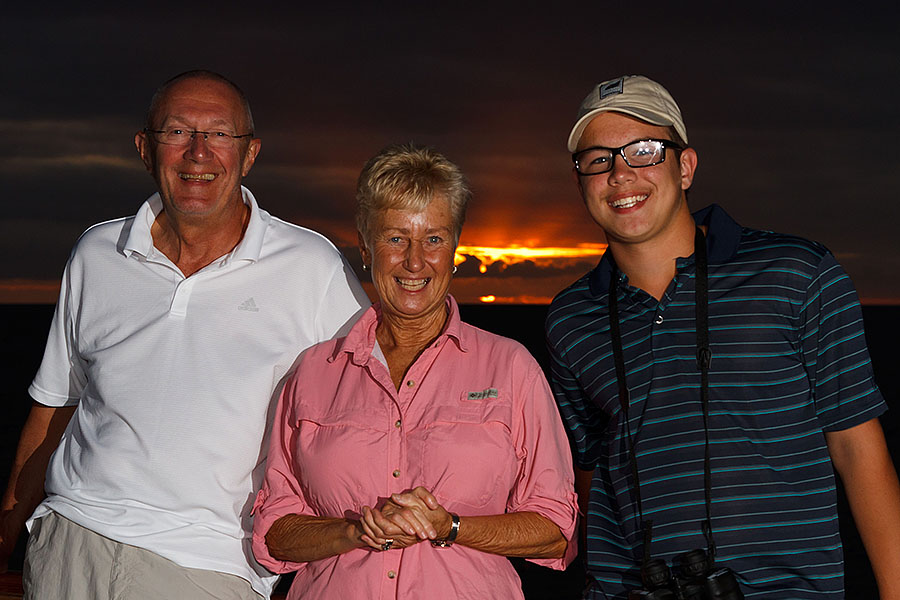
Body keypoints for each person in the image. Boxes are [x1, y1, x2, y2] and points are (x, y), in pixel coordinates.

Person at [0, 70, 369, 599]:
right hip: (69, 544)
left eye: (219, 133)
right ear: (145, 149)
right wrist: (8, 531)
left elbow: (378, 400)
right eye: (176, 132)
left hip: (210, 562)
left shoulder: (310, 266)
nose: (198, 153)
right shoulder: (96, 253)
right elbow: (57, 403)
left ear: (250, 154)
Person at [546, 74, 900, 599]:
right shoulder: (570, 319)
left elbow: (857, 449)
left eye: (643, 150)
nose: (620, 173)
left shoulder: (797, 272)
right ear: (581, 183)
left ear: (685, 166)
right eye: (598, 159)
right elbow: (592, 474)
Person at [251, 143, 578, 599]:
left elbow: (554, 528)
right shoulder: (313, 372)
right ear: (365, 246)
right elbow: (274, 533)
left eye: (434, 239)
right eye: (396, 238)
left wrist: (452, 526)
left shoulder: (511, 367)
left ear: (456, 250)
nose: (415, 261)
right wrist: (353, 532)